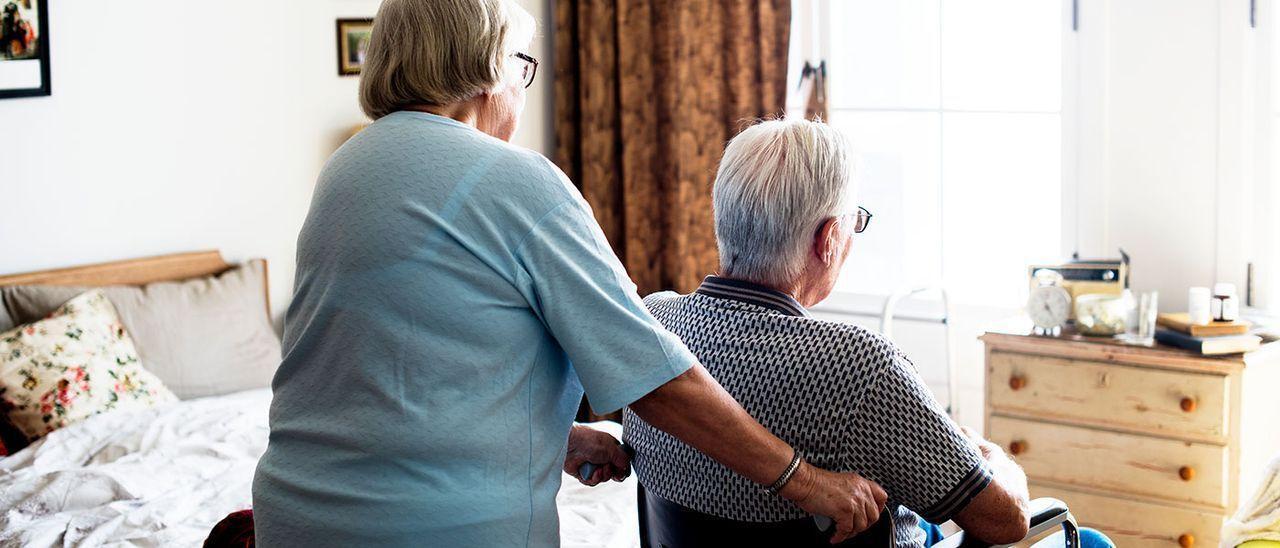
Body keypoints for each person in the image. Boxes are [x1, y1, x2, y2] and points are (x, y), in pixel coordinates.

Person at [250, 1, 885, 546]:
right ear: (488, 72)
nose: (523, 93)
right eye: (523, 68)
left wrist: (552, 434)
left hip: (295, 515)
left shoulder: (347, 170)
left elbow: (393, 377)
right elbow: (655, 377)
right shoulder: (513, 180)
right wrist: (807, 482)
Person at [623, 118, 1115, 547]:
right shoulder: (859, 367)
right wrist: (989, 454)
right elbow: (1005, 521)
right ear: (828, 238)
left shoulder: (652, 324)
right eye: (854, 224)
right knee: (1088, 540)